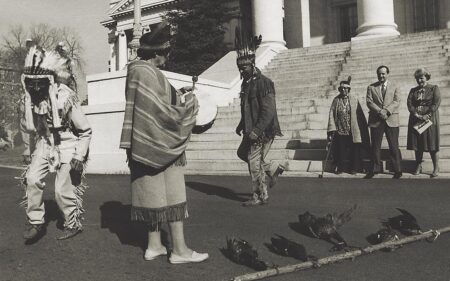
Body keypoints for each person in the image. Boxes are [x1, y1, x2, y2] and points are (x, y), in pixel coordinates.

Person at [119, 23, 208, 264]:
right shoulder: (150, 73)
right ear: (157, 52)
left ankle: (154, 245)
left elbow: (153, 105)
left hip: (142, 144)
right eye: (166, 53)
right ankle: (179, 250)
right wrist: (189, 105)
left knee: (152, 194)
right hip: (162, 142)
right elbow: (164, 114)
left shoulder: (136, 71)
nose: (167, 57)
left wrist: (177, 95)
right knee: (172, 194)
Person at [20, 43, 92, 241]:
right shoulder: (30, 99)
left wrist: (79, 155)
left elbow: (85, 130)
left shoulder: (66, 97)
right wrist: (28, 149)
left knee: (62, 189)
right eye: (31, 84)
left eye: (39, 83)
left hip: (68, 143)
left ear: (49, 80)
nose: (35, 88)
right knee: (32, 178)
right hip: (45, 142)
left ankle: (72, 222)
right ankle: (35, 220)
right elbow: (28, 127)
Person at [234, 27, 284, 207]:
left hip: (263, 131)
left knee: (254, 163)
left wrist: (256, 130)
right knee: (243, 154)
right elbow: (247, 108)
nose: (242, 70)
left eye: (245, 66)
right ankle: (273, 168)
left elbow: (268, 111)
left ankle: (259, 196)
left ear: (253, 64)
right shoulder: (246, 84)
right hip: (250, 129)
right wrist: (241, 124)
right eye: (240, 67)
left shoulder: (264, 83)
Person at [365, 65, 402, 179]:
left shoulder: (395, 86)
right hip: (376, 119)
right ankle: (374, 169)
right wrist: (380, 111)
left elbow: (397, 101)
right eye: (379, 73)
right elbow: (369, 102)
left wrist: (387, 111)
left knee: (394, 145)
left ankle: (397, 169)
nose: (381, 75)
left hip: (391, 119)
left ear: (387, 74)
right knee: (375, 146)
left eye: (383, 73)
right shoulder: (371, 87)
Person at [327, 77, 369, 174]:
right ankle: (340, 168)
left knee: (354, 150)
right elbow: (331, 114)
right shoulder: (336, 100)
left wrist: (361, 128)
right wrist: (332, 128)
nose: (343, 90)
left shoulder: (354, 99)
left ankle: (354, 168)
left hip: (352, 129)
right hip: (340, 129)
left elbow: (360, 114)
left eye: (346, 88)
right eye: (341, 88)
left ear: (349, 89)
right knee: (340, 150)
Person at [407, 68, 441, 178]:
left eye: (421, 78)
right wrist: (416, 114)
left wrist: (428, 114)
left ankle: (436, 167)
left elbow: (436, 102)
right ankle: (418, 165)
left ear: (426, 77)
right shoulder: (413, 90)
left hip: (429, 119)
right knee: (417, 143)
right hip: (416, 118)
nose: (419, 81)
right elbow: (410, 104)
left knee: (431, 143)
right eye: (417, 79)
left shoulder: (433, 88)